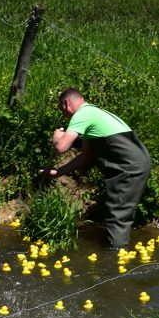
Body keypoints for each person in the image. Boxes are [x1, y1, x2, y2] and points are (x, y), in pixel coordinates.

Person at [41, 87, 151, 250]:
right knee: (119, 210)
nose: (65, 117)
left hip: (129, 167)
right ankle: (117, 248)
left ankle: (117, 259)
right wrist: (57, 173)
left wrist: (57, 136)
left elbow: (61, 146)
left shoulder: (82, 114)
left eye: (63, 112)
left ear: (66, 104)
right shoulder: (92, 113)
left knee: (118, 215)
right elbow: (86, 157)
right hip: (137, 162)